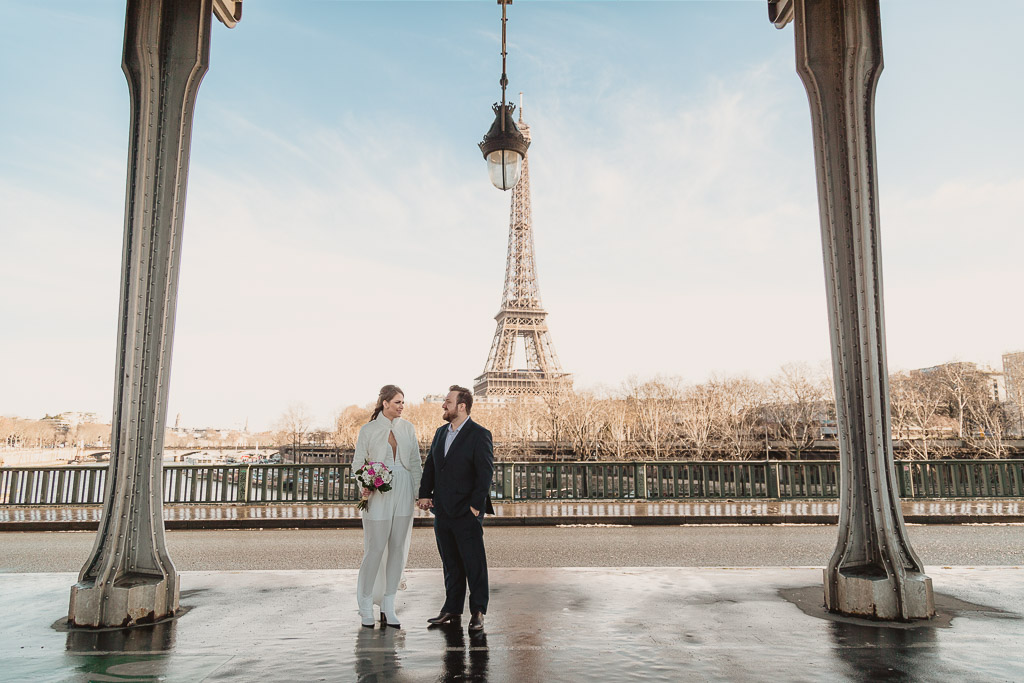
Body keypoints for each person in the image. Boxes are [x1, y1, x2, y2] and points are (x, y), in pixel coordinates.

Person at [417, 385, 495, 632]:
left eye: (448, 402)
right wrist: (424, 495)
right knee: (450, 563)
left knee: (474, 564)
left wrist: (475, 507)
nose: (443, 405)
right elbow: (431, 466)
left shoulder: (479, 434)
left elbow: (485, 473)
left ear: (462, 406)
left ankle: (478, 611)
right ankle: (452, 609)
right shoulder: (440, 433)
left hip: (466, 511)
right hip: (443, 510)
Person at [354, 384, 422, 629]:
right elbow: (357, 465)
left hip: (403, 488)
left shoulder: (408, 428)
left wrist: (420, 494)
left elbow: (415, 463)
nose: (402, 406)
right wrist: (364, 484)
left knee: (397, 548)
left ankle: (389, 605)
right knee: (375, 548)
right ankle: (364, 603)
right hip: (378, 492)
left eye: (403, 402)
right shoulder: (368, 430)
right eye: (397, 402)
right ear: (385, 403)